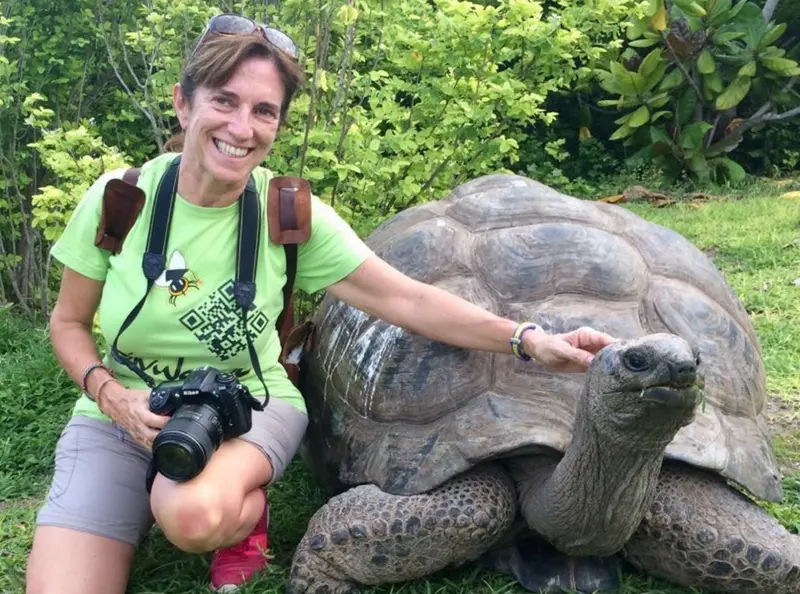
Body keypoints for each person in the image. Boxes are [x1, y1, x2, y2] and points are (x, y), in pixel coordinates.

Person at [25, 13, 616, 594]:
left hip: (249, 404)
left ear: (278, 124)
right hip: (123, 407)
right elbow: (69, 322)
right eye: (224, 101)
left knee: (191, 514)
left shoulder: (290, 215)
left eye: (264, 111)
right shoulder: (121, 199)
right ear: (184, 104)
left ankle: (232, 516)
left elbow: (406, 299)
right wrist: (111, 396)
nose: (242, 126)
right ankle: (148, 489)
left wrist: (530, 340)